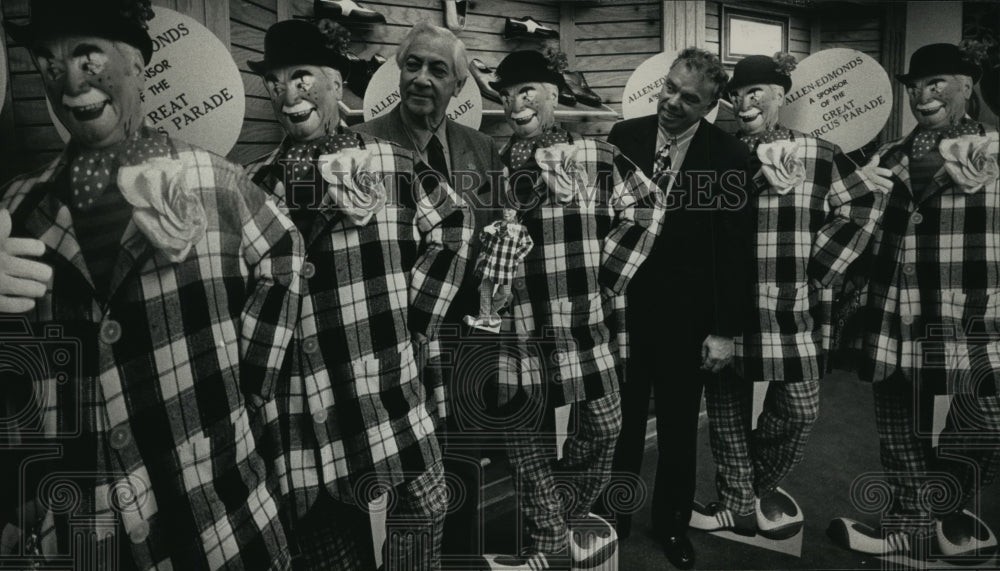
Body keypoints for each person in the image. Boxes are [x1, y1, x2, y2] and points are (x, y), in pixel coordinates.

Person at [0, 1, 302, 569]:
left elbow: (285, 256)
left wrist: (249, 379)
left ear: (138, 62)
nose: (68, 84)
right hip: (88, 530)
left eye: (88, 59)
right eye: (48, 65)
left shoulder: (218, 182)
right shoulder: (17, 207)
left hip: (219, 517)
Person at [244, 19, 474, 570]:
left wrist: (415, 320)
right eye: (274, 82)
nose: (286, 93)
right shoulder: (249, 185)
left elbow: (453, 227)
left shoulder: (391, 163)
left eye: (300, 76)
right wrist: (263, 367)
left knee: (424, 509)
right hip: (305, 407)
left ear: (333, 81)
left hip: (388, 389)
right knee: (326, 547)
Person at [687, 53, 887, 539]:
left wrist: (817, 270)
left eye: (755, 91)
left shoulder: (818, 152)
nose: (744, 101)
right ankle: (737, 502)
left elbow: (864, 202)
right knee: (726, 406)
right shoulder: (717, 153)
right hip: (725, 308)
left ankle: (749, 486)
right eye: (737, 94)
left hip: (793, 304)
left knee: (800, 409)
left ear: (781, 94)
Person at [491, 50, 664, 569]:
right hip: (518, 323)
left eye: (527, 91)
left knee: (607, 425)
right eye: (506, 93)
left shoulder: (597, 156)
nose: (515, 103)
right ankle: (549, 535)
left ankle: (564, 510)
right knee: (525, 436)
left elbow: (649, 206)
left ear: (553, 94)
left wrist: (608, 277)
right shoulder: (491, 164)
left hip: (588, 319)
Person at [830, 42, 1000, 562]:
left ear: (967, 86)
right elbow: (850, 231)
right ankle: (910, 526)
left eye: (936, 84)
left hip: (972, 311)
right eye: (915, 86)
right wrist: (849, 195)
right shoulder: (888, 157)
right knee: (898, 424)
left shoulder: (995, 152)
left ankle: (936, 508)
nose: (922, 96)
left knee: (988, 421)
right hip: (892, 308)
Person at [353, 21, 506, 563]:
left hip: (468, 342)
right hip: (397, 344)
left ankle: (461, 561)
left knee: (463, 465)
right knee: (410, 480)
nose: (421, 78)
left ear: (459, 84)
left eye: (437, 69)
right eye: (413, 64)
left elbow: (500, 231)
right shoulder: (363, 146)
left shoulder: (482, 147)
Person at [603, 47, 753, 569]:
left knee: (677, 428)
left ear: (710, 105)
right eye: (669, 88)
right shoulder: (625, 138)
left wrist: (725, 330)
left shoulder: (732, 157)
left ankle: (670, 525)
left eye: (689, 98)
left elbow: (736, 254)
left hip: (688, 322)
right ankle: (612, 516)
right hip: (623, 311)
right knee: (619, 423)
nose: (671, 102)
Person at [465, 208, 533, 332]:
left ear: (516, 212)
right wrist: (485, 231)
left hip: (506, 266)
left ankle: (489, 314)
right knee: (486, 289)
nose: (507, 213)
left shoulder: (521, 229)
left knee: (505, 291)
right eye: (505, 210)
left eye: (511, 211)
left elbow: (528, 244)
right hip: (491, 264)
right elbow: (484, 239)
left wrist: (515, 257)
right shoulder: (495, 224)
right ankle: (484, 318)